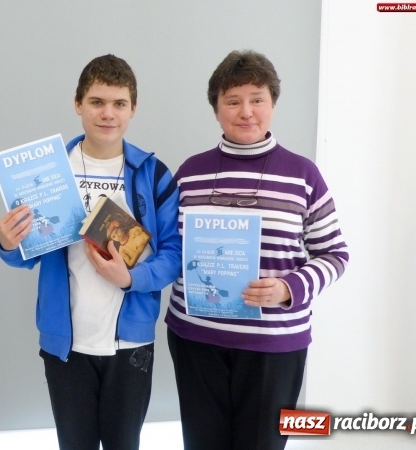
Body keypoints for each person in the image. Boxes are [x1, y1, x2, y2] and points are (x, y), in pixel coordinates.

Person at [164, 50, 350, 450]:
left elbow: (335, 254)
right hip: (195, 339)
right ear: (216, 109)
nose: (246, 112)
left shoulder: (303, 175)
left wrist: (288, 288)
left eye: (257, 99)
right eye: (233, 101)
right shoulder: (190, 174)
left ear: (273, 104)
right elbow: (167, 245)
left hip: (273, 344)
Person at [0, 54, 181, 450]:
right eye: (97, 102)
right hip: (66, 345)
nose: (107, 113)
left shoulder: (154, 174)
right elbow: (28, 252)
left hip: (130, 345)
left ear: (133, 109)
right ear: (78, 104)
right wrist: (9, 244)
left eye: (119, 103)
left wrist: (131, 278)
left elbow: (173, 254)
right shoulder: (48, 173)